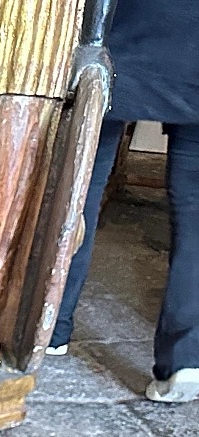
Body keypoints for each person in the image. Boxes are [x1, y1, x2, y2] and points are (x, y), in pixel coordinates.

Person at [51, 0, 199, 402]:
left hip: (123, 35)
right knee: (196, 212)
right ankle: (186, 359)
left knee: (76, 183)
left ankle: (49, 327)